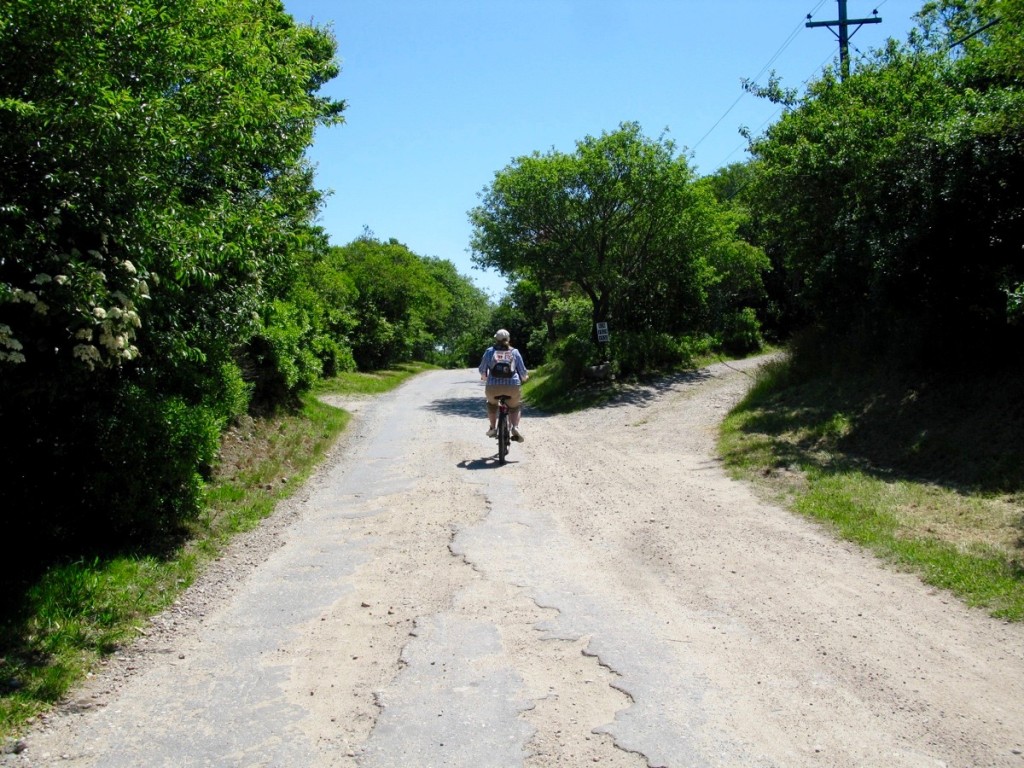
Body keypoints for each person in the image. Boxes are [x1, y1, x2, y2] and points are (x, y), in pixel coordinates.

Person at [479, 328, 529, 441]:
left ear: (496, 339)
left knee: (492, 404)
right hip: (512, 386)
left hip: (493, 387)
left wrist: (484, 376)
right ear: (509, 339)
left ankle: (492, 428)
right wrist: (525, 378)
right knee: (515, 406)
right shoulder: (514, 352)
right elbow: (522, 371)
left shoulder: (489, 351)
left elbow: (482, 369)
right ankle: (515, 428)